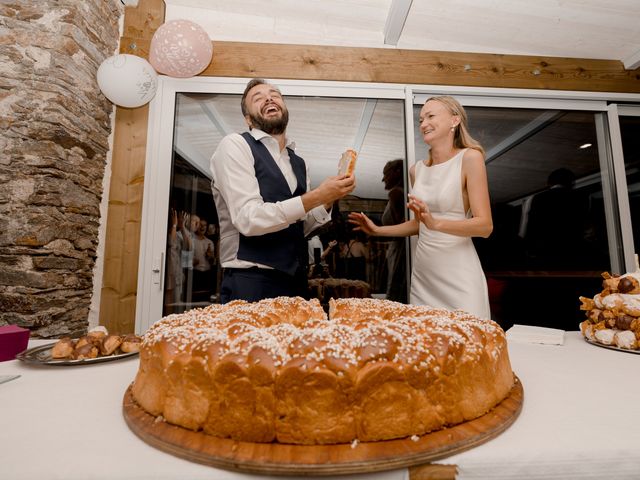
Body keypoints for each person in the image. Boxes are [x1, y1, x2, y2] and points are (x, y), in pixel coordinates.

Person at [210, 78, 355, 303]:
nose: (269, 98)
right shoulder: (235, 145)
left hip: (296, 280)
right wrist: (316, 196)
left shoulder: (298, 162)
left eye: (275, 94)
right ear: (248, 119)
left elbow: (299, 226)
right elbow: (248, 218)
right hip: (251, 281)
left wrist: (327, 200)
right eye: (258, 98)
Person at [349, 96, 492, 319]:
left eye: (431, 116)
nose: (423, 124)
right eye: (421, 119)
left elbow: (484, 226)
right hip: (425, 272)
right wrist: (377, 231)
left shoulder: (470, 158)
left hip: (459, 270)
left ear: (454, 121)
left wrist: (436, 223)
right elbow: (419, 224)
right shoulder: (417, 170)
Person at [380, 159, 407, 302]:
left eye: (386, 174)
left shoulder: (396, 194)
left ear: (397, 173)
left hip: (400, 249)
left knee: (397, 290)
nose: (383, 179)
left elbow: (400, 228)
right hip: (399, 248)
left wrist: (376, 231)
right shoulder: (403, 192)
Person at [191, 217, 216, 302]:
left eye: (205, 225)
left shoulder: (209, 242)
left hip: (207, 276)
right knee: (195, 300)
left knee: (205, 300)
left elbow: (213, 263)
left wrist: (210, 257)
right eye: (201, 225)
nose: (202, 227)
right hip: (195, 274)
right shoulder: (191, 240)